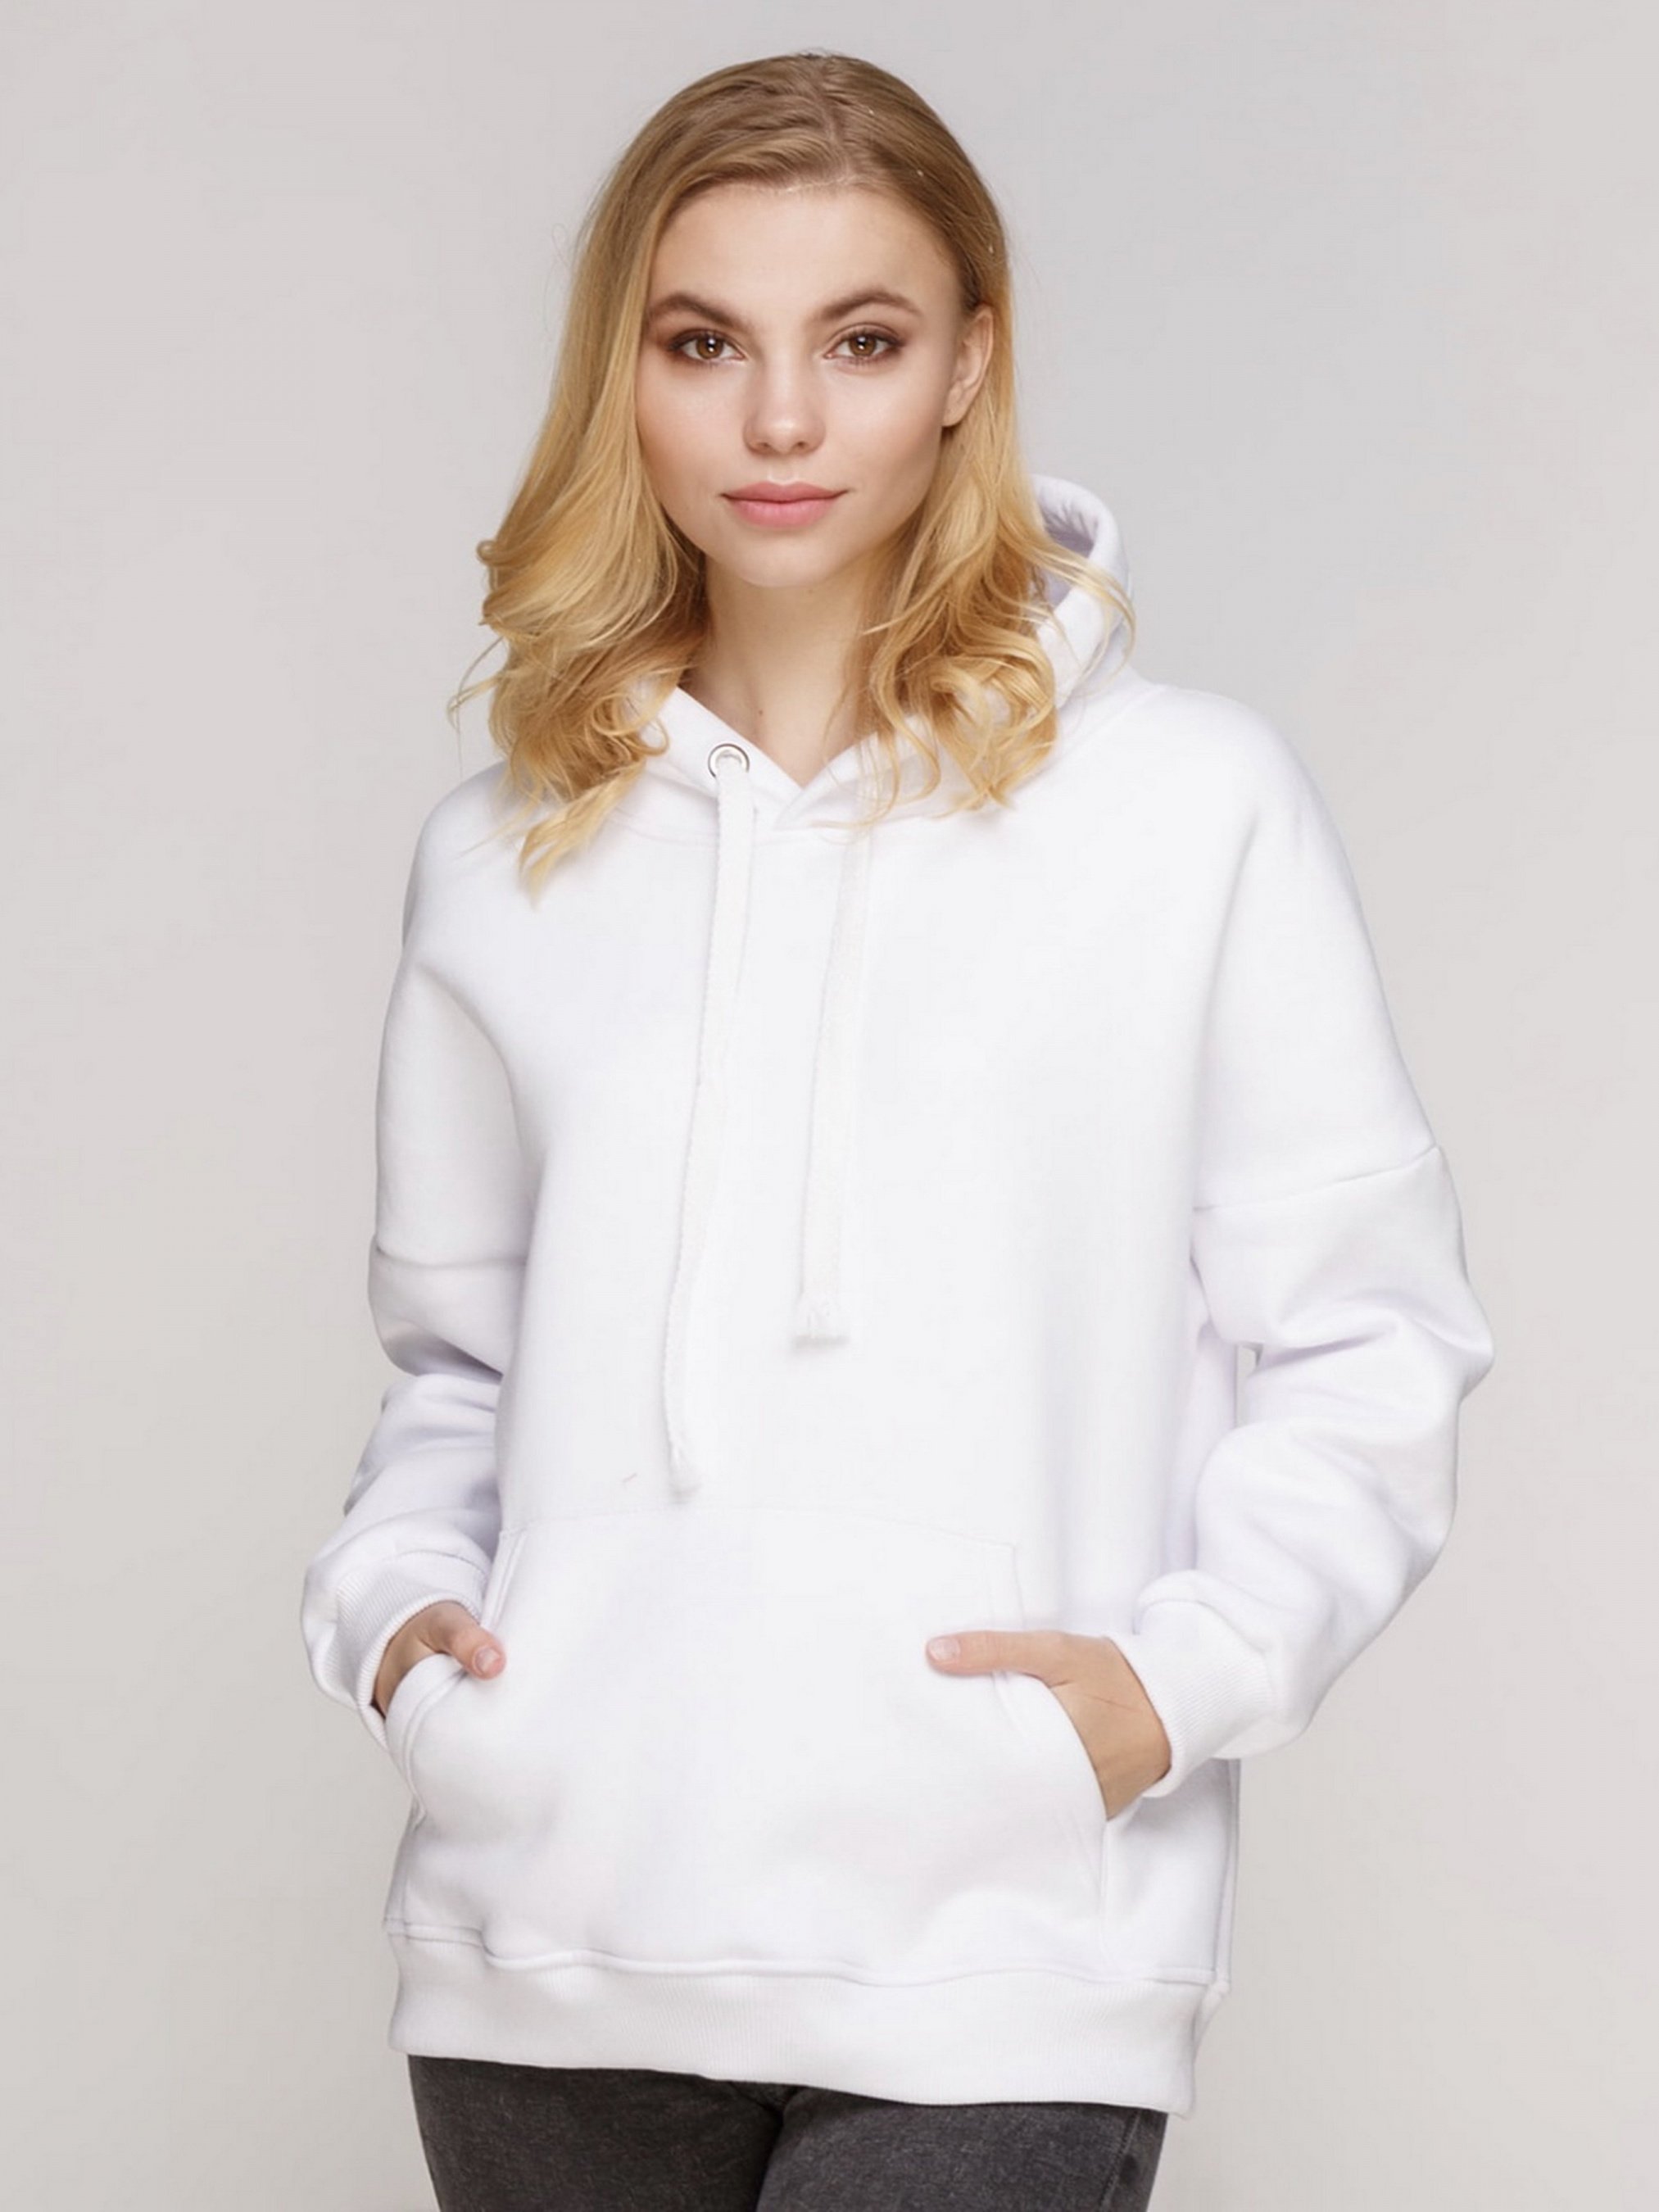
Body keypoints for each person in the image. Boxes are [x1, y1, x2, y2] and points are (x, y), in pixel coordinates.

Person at [299, 48, 1496, 2212]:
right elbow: (460, 1362)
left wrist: (1170, 1690)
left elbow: (1368, 1334)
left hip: (1001, 1940)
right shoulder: (502, 854)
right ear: (624, 375)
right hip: (551, 1935)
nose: (781, 419)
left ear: (968, 366)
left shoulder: (1184, 809)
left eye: (858, 340)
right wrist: (396, 1613)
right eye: (704, 343)